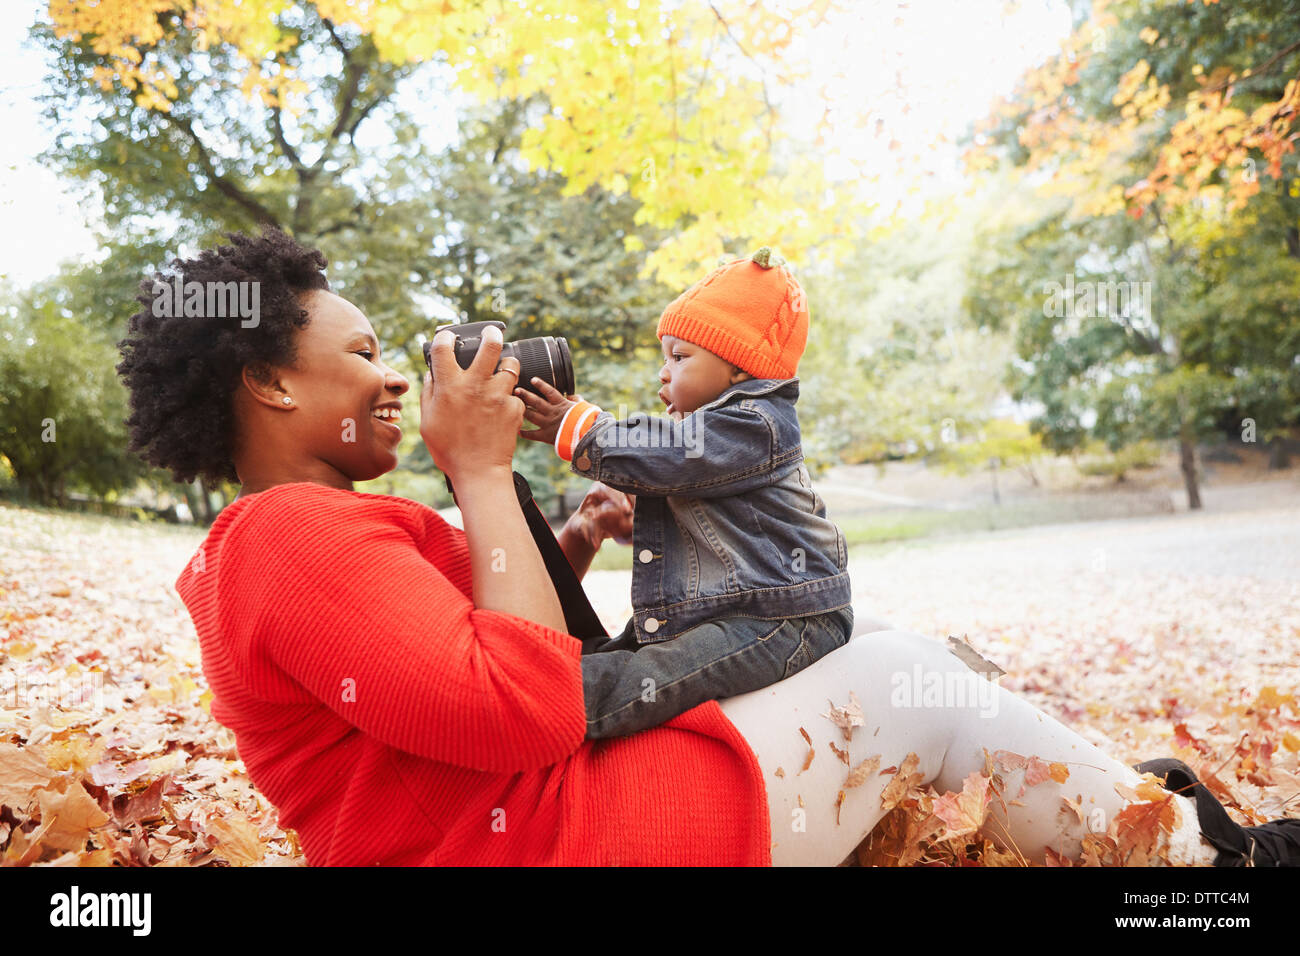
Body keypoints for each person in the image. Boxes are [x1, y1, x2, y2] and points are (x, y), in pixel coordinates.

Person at [117, 226, 1297, 866]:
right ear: (268, 381)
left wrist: (566, 537)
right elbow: (527, 706)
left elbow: (470, 652)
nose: (391, 375)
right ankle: (1202, 864)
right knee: (898, 686)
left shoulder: (313, 531)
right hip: (549, 839)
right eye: (366, 351)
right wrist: (479, 469)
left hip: (536, 814)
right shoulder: (281, 539)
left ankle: (1120, 816)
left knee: (880, 643)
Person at [513, 247, 854, 739]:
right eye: (663, 357)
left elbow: (674, 454)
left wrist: (578, 426)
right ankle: (553, 677)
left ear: (738, 369)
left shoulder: (757, 423)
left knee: (648, 678)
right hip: (725, 610)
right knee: (613, 655)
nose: (664, 371)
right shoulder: (714, 430)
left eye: (680, 356)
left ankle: (544, 708)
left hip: (784, 618)